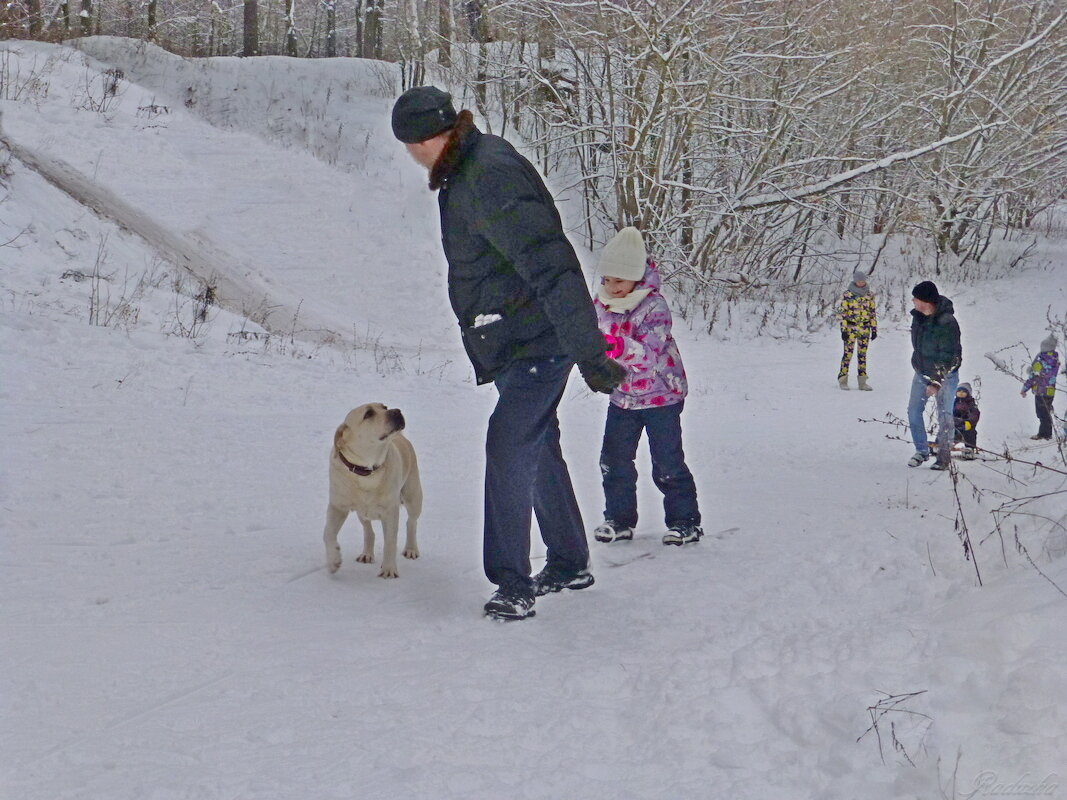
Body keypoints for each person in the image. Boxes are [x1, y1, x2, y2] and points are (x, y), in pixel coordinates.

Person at [391, 86, 626, 621]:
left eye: (410, 144)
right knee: (537, 444)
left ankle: (512, 583)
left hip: (537, 339)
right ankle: (568, 562)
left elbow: (551, 263)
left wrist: (588, 353)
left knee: (508, 442)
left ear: (430, 138)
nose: (410, 155)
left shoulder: (487, 176)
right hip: (514, 336)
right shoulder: (470, 167)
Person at [591, 227, 702, 547]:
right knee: (613, 460)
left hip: (661, 396)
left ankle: (685, 522)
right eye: (607, 279)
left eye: (620, 281)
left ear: (637, 278)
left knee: (667, 462)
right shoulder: (601, 304)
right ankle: (619, 519)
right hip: (623, 398)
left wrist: (611, 346)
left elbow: (649, 355)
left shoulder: (654, 307)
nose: (612, 287)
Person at [907, 280, 962, 470]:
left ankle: (944, 456)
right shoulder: (918, 317)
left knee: (945, 415)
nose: (912, 300)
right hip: (921, 373)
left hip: (945, 376)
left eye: (916, 298)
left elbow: (949, 355)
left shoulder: (946, 323)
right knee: (913, 411)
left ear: (926, 301)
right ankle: (921, 451)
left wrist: (937, 382)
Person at [837, 269, 878, 390]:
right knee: (847, 354)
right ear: (855, 281)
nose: (861, 283)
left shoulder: (869, 295)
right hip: (850, 327)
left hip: (864, 328)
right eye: (859, 281)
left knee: (862, 355)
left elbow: (872, 312)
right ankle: (843, 379)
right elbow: (843, 313)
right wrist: (843, 329)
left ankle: (862, 381)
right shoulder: (848, 295)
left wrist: (874, 328)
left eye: (863, 281)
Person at [1020, 334, 1060, 440]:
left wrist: (1025, 388)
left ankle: (1044, 434)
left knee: (1042, 413)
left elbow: (1034, 377)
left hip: (1041, 391)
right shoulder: (1055, 360)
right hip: (1050, 391)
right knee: (1046, 412)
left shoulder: (1041, 361)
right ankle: (1047, 432)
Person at [953, 383, 980, 460]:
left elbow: (975, 414)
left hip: (966, 425)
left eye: (964, 391)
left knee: (970, 433)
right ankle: (940, 444)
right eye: (959, 391)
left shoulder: (971, 403)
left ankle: (969, 448)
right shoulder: (953, 403)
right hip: (954, 424)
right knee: (945, 430)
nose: (961, 393)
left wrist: (969, 422)